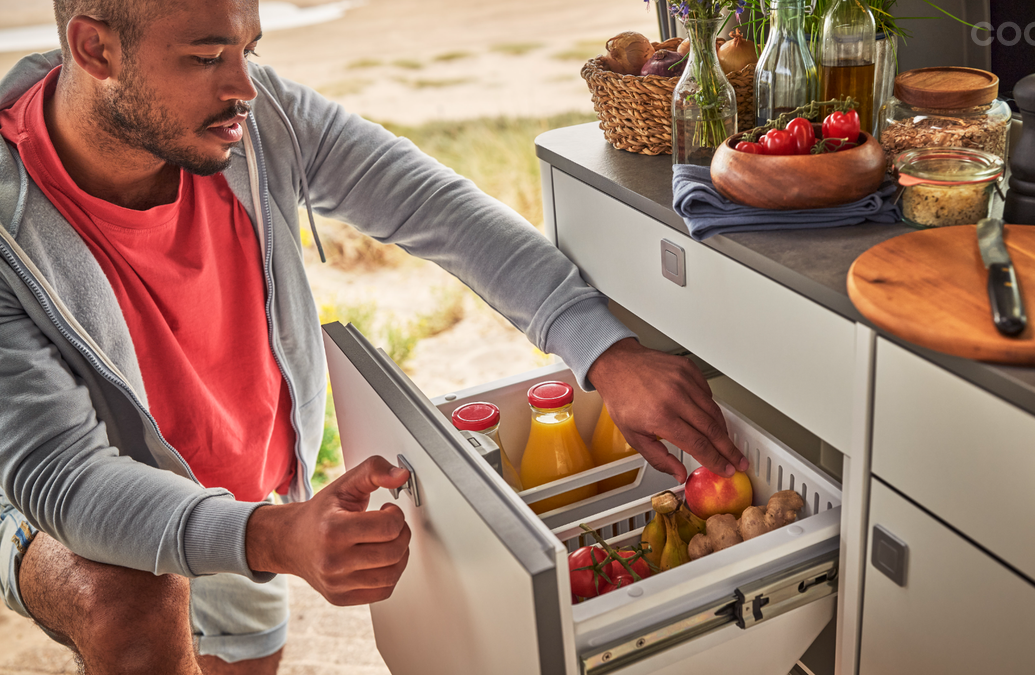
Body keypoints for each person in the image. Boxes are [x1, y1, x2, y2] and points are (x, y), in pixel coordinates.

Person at [0, 0, 749, 673]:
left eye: (247, 50)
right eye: (205, 58)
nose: (244, 88)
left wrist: (606, 352)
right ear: (95, 50)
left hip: (244, 484)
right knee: (133, 606)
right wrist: (273, 536)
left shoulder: (258, 123)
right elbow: (62, 476)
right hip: (44, 494)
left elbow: (438, 208)